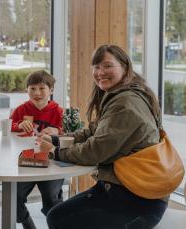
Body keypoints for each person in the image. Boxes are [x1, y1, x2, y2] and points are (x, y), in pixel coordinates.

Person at [38, 44, 167, 229]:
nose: (100, 72)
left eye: (107, 66)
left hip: (138, 198)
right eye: (96, 67)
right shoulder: (119, 96)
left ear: (124, 66)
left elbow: (96, 151)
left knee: (58, 218)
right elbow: (92, 132)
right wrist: (57, 140)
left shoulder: (126, 103)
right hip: (124, 187)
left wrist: (55, 152)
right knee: (57, 215)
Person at [10, 70, 64, 229]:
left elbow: (69, 133)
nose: (37, 93)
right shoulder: (21, 110)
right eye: (32, 88)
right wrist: (18, 125)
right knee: (14, 198)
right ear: (27, 90)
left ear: (51, 90)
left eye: (42, 88)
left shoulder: (59, 112)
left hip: (51, 162)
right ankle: (28, 225)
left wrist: (57, 131)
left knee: (51, 199)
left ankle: (57, 223)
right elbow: (9, 127)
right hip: (26, 161)